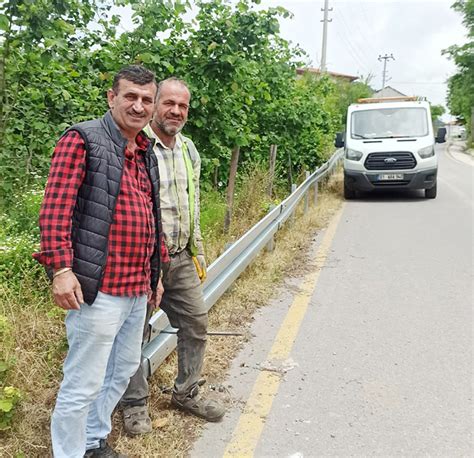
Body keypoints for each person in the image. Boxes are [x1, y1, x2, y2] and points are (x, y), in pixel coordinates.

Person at [33, 65, 167, 458]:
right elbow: (55, 210)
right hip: (98, 289)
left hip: (136, 288)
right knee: (83, 381)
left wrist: (154, 275)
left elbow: (151, 217)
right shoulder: (83, 139)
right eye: (130, 96)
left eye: (146, 99)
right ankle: (70, 452)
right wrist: (60, 270)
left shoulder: (145, 151)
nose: (139, 106)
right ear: (112, 98)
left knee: (122, 371)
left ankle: (93, 440)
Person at [121, 77, 225, 435]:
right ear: (155, 104)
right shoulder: (135, 145)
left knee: (196, 323)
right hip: (142, 261)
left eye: (182, 106)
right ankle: (134, 405)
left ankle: (186, 391)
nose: (175, 111)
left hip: (179, 257)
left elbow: (191, 203)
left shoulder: (188, 149)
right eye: (169, 103)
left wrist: (197, 249)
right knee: (134, 334)